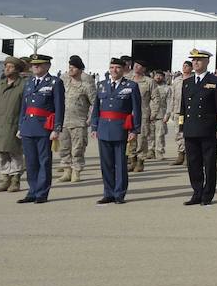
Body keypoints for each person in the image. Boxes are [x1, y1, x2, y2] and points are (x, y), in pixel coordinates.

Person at [89, 57, 141, 204]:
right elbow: (96, 108)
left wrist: (134, 130)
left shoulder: (131, 86)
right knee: (106, 164)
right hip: (104, 128)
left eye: (117, 67)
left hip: (121, 129)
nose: (114, 70)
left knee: (120, 164)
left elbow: (137, 110)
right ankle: (108, 193)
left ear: (123, 69)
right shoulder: (101, 85)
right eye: (112, 67)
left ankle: (119, 194)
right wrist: (94, 126)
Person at [178, 49, 217, 206]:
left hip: (208, 128)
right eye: (193, 60)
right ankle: (197, 192)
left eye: (199, 60)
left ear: (207, 62)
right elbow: (183, 107)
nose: (195, 62)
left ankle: (207, 194)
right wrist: (181, 127)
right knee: (193, 163)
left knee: (209, 164)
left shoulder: (215, 81)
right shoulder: (187, 82)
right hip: (191, 128)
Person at [17, 53, 63, 204]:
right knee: (30, 161)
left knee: (44, 161)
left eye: (39, 64)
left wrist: (56, 128)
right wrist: (20, 126)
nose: (35, 67)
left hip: (44, 127)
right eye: (33, 64)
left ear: (47, 66)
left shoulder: (55, 82)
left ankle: (42, 192)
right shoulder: (29, 82)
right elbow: (24, 107)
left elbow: (59, 107)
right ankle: (32, 191)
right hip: (28, 126)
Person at [0, 56, 25, 193]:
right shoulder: (0, 84)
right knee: (2, 152)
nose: (7, 69)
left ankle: (15, 180)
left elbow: (26, 107)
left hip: (13, 124)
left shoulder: (23, 85)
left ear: (17, 69)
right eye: (6, 66)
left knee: (15, 152)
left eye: (10, 67)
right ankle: (5, 179)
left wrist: (22, 125)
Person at [58, 55, 95, 183]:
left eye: (73, 67)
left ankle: (76, 171)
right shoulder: (64, 84)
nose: (70, 70)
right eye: (70, 67)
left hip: (79, 122)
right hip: (63, 121)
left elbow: (95, 104)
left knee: (77, 149)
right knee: (64, 148)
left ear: (80, 70)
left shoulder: (86, 86)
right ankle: (67, 171)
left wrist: (90, 119)